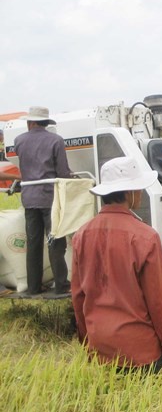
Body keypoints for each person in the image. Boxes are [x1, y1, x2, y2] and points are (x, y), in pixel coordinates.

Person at [71, 156, 162, 375]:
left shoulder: (81, 235)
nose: (140, 193)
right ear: (130, 193)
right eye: (138, 188)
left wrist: (88, 345)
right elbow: (159, 301)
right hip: (140, 354)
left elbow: (78, 297)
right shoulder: (145, 236)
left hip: (100, 349)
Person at [14, 107, 72, 295]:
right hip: (49, 198)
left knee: (33, 243)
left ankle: (33, 287)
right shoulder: (56, 140)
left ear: (30, 122)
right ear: (46, 123)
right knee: (55, 240)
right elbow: (63, 172)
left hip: (29, 199)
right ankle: (61, 285)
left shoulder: (19, 141)